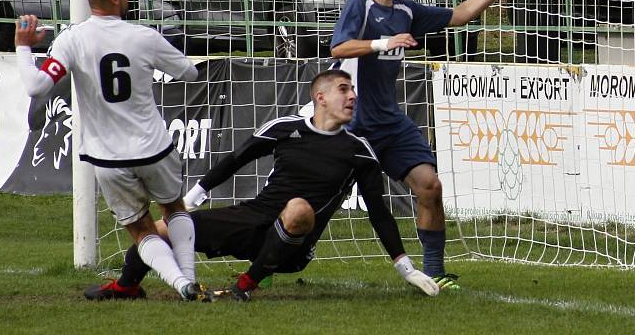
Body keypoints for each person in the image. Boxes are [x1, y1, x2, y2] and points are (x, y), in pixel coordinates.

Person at [84, 69, 439, 301]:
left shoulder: (359, 151)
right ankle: (126, 286)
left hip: (294, 243)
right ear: (320, 97)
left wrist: (405, 268)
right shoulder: (285, 128)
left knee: (299, 208)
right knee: (160, 231)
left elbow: (379, 214)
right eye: (344, 90)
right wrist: (191, 200)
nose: (352, 97)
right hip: (251, 218)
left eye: (352, 91)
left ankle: (245, 286)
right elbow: (237, 159)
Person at [330, 0, 530, 290]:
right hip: (352, 125)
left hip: (389, 122)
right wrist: (383, 43)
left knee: (430, 186)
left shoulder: (406, 11)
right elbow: (339, 47)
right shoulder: (359, 5)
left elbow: (458, 16)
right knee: (315, 202)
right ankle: (265, 263)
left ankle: (434, 271)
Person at [15, 0, 202, 301]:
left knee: (140, 229)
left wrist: (23, 46)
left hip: (108, 157)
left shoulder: (72, 39)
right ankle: (189, 277)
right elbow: (189, 73)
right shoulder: (144, 36)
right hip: (154, 148)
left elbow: (35, 86)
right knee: (174, 209)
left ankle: (181, 284)